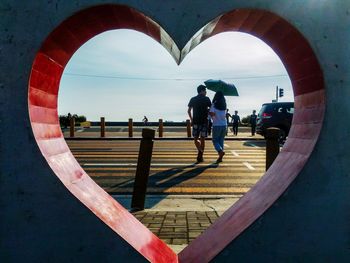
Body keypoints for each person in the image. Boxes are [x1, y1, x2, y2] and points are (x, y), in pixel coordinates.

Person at [187, 85, 212, 162]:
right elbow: (211, 110)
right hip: (204, 122)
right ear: (202, 91)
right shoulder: (207, 99)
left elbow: (188, 111)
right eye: (205, 90)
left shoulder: (193, 99)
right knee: (203, 139)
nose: (206, 92)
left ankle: (200, 153)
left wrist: (191, 119)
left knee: (195, 139)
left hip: (195, 122)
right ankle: (200, 154)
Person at [209, 91, 227, 163]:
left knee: (215, 141)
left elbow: (212, 114)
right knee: (221, 140)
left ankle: (220, 151)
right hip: (224, 124)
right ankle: (220, 157)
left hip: (217, 125)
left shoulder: (214, 104)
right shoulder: (224, 105)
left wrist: (210, 113)